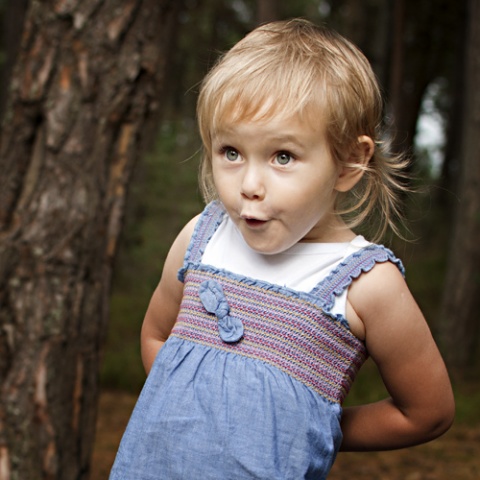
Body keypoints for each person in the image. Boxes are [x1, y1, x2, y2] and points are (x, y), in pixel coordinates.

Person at [109, 19, 454, 479]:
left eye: (283, 157)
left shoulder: (366, 284)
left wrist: (314, 428)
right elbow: (156, 336)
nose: (249, 185)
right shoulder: (201, 238)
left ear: (350, 163)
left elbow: (426, 411)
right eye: (230, 151)